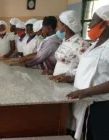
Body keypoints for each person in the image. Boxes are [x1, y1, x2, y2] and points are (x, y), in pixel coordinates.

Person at [52, 5, 109, 140]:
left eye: (94, 20)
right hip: (86, 103)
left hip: (100, 105)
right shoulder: (95, 45)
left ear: (105, 24)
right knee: (87, 134)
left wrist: (85, 92)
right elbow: (84, 67)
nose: (89, 24)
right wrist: (68, 75)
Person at [49, 10, 89, 77]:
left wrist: (67, 76)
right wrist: (53, 71)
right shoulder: (64, 40)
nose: (57, 28)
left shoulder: (81, 44)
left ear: (65, 27)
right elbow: (63, 63)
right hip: (57, 80)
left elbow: (86, 67)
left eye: (58, 25)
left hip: (68, 83)